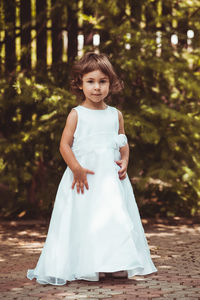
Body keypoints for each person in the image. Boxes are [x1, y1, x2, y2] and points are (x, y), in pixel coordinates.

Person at [27, 52, 157, 286]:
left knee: (114, 219)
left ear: (111, 83)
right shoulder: (77, 114)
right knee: (87, 220)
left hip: (111, 182)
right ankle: (89, 264)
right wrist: (76, 168)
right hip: (84, 179)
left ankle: (116, 264)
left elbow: (122, 142)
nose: (97, 88)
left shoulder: (115, 115)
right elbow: (64, 145)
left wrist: (125, 160)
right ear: (80, 83)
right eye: (91, 81)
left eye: (102, 81)